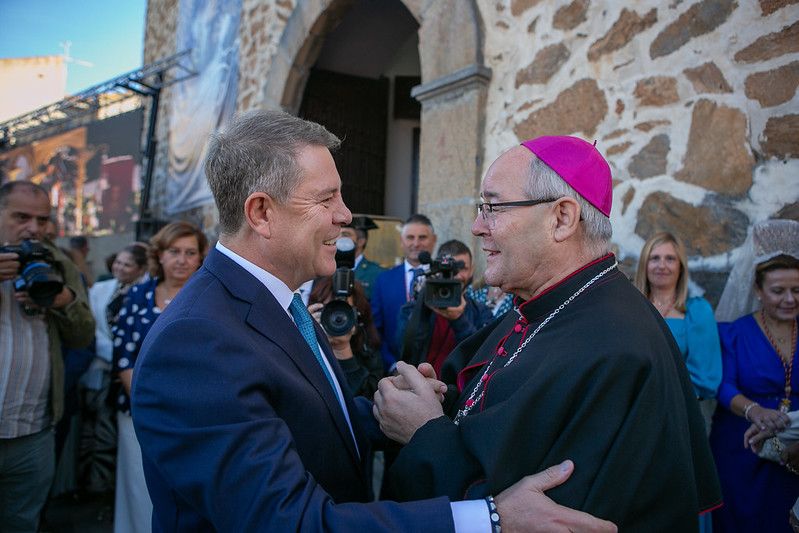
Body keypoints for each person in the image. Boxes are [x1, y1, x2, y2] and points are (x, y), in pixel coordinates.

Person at [130, 110, 616, 532]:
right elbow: (290, 523)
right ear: (261, 212)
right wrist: (490, 518)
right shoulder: (197, 343)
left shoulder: (279, 304)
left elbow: (306, 419)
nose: (345, 216)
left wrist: (400, 406)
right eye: (326, 200)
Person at [373, 135, 721, 530]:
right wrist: (442, 399)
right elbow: (508, 419)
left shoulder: (618, 346)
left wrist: (426, 432)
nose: (477, 226)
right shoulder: (543, 303)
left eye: (493, 207)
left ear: (562, 218)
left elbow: (542, 513)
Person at [0, 181, 95, 531]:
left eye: (42, 220)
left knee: (23, 524)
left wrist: (63, 300)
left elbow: (84, 334)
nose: (34, 228)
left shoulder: (57, 262)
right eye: (21, 217)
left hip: (34, 433)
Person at [112, 222, 208, 533]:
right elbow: (123, 353)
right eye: (174, 251)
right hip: (137, 412)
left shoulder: (209, 296)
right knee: (138, 487)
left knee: (181, 495)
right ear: (160, 255)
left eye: (190, 252)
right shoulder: (139, 294)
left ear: (200, 258)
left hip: (193, 418)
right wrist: (146, 405)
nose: (182, 259)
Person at [710, 218, 799, 533]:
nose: (789, 299)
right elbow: (722, 385)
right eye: (778, 291)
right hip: (742, 446)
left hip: (795, 447)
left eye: (796, 290)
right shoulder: (735, 333)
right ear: (758, 290)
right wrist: (755, 410)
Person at [634, 232, 722, 429]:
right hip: (631, 416)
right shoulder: (629, 309)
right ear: (644, 265)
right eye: (654, 258)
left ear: (680, 266)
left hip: (678, 415)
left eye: (670, 259)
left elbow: (706, 377)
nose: (662, 265)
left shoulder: (697, 312)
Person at [81, 243, 148, 496]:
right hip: (100, 371)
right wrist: (114, 353)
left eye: (127, 264)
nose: (119, 267)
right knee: (95, 430)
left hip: (127, 378)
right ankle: (93, 485)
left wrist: (124, 360)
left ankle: (111, 489)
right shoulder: (100, 289)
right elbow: (91, 327)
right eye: (118, 261)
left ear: (141, 269)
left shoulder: (143, 295)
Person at [397, 239, 494, 377]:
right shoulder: (410, 309)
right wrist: (423, 307)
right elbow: (405, 351)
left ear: (471, 270)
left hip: (459, 391)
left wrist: (459, 319)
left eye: (462, 268)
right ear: (436, 270)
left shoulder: (482, 312)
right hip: (419, 386)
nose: (455, 276)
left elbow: (482, 357)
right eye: (448, 270)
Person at [371, 214, 437, 371]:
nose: (416, 243)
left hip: (434, 370)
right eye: (410, 237)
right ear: (402, 241)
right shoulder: (384, 280)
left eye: (422, 237)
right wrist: (392, 364)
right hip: (392, 370)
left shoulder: (443, 279)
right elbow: (375, 330)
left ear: (434, 240)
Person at [308, 276, 384, 398]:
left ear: (358, 316)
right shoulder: (303, 349)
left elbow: (366, 401)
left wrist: (342, 349)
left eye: (343, 309)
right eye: (329, 310)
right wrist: (305, 330)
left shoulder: (368, 352)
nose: (336, 318)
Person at [342, 215, 385, 300]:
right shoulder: (327, 270)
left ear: (361, 241)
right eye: (337, 234)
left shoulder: (377, 273)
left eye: (345, 235)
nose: (339, 239)